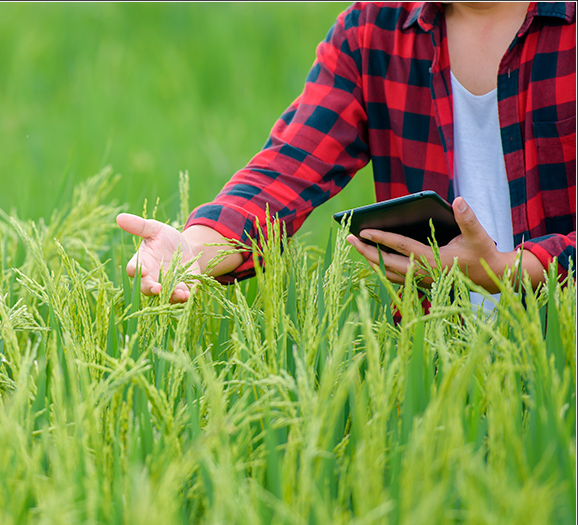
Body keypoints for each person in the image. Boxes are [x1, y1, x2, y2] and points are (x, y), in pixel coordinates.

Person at [117, 2, 576, 307]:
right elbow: (287, 169)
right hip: (435, 377)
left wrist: (513, 270)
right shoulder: (373, 30)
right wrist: (194, 248)